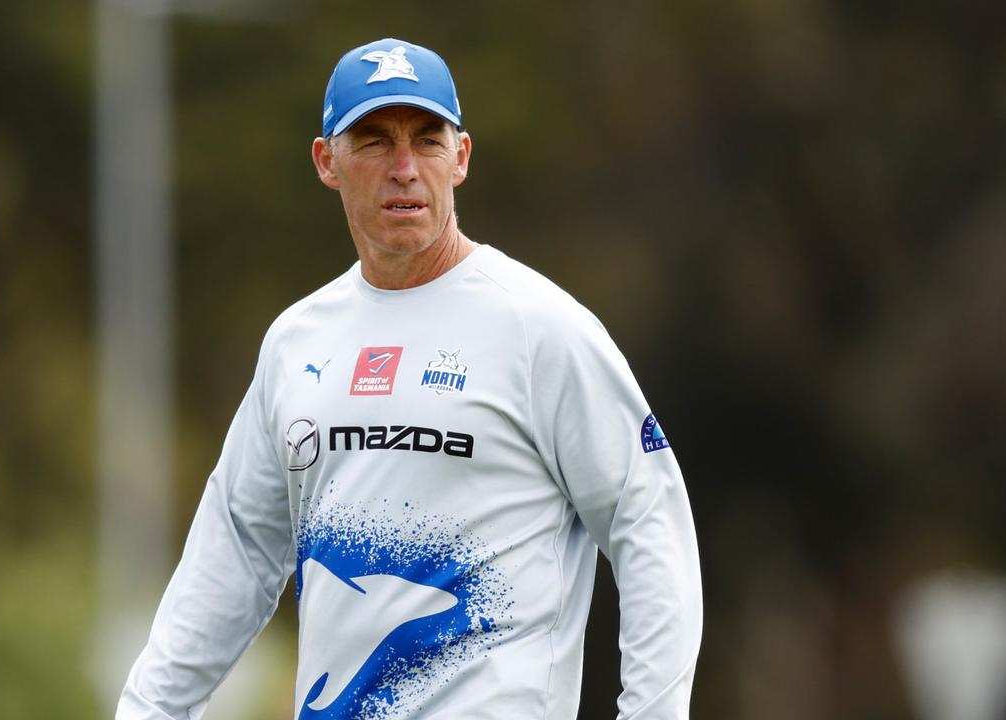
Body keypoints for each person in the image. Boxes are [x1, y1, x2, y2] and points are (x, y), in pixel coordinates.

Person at [116, 38, 703, 720]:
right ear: (326, 161)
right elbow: (238, 553)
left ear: (460, 158)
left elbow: (649, 524)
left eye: (426, 140)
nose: (404, 168)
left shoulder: (540, 329)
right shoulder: (296, 342)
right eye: (373, 141)